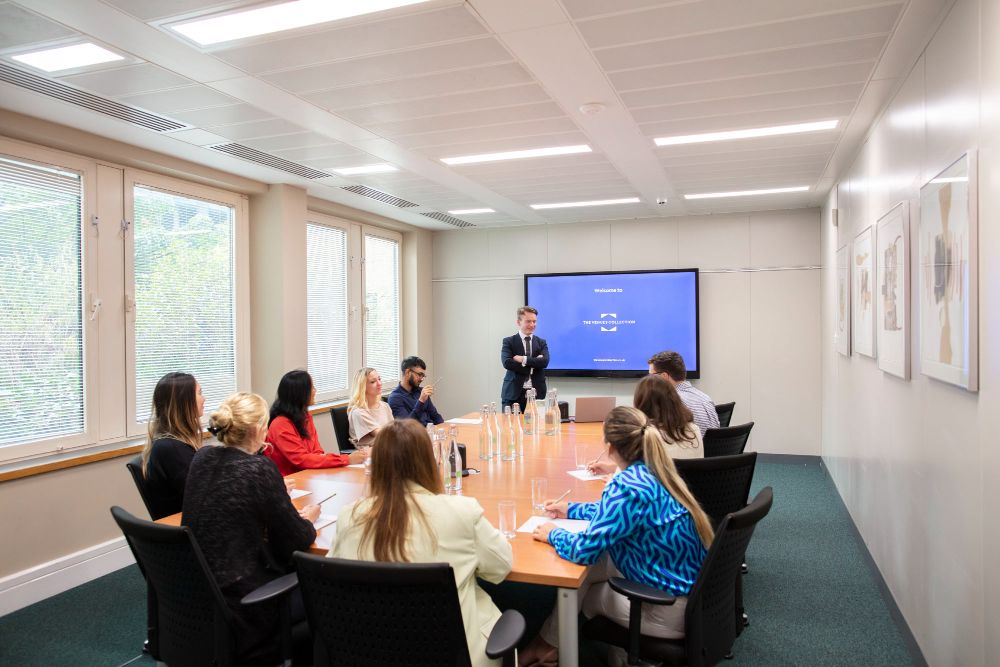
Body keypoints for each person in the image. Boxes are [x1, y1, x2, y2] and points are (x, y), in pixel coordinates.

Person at [520, 406, 714, 665]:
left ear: (610, 447)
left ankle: (578, 652)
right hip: (688, 594)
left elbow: (583, 551)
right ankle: (548, 648)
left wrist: (554, 534)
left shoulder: (625, 486)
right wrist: (571, 509)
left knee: (580, 589)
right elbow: (616, 515)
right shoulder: (654, 469)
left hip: (665, 608)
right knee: (595, 567)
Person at [330, 420, 513, 667]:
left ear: (378, 466)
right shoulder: (461, 512)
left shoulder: (349, 517)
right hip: (454, 655)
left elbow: (333, 583)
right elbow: (500, 568)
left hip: (371, 653)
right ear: (429, 460)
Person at [183, 392, 319, 662]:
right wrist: (309, 519)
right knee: (328, 598)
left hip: (201, 598)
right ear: (258, 429)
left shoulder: (202, 458)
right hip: (250, 603)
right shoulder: (260, 469)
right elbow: (298, 540)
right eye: (266, 424)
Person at [589, 375, 702, 475]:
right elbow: (667, 469)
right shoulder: (694, 429)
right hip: (689, 495)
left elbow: (639, 475)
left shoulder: (647, 436)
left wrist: (613, 476)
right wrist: (611, 468)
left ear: (641, 403)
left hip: (654, 497)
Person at [265, 369, 366, 475]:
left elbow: (317, 452)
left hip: (308, 474)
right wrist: (346, 460)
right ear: (300, 394)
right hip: (290, 481)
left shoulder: (305, 416)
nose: (315, 391)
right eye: (312, 388)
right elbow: (302, 459)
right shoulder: (280, 424)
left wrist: (324, 460)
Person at [140, 372, 205, 519]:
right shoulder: (171, 449)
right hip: (187, 528)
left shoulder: (173, 444)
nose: (204, 399)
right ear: (184, 402)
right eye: (199, 393)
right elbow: (203, 496)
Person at [648, 350, 719, 436]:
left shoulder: (673, 401)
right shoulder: (705, 397)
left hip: (694, 448)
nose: (649, 380)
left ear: (664, 377)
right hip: (709, 448)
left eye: (651, 376)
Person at [501, 306, 548, 411]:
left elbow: (544, 362)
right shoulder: (509, 341)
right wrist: (534, 364)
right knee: (510, 426)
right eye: (528, 321)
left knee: (536, 426)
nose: (532, 325)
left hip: (536, 394)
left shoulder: (541, 342)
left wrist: (523, 359)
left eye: (534, 321)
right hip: (513, 395)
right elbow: (507, 363)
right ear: (518, 322)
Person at [387, 356, 444, 426]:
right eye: (420, 375)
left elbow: (435, 416)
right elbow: (407, 427)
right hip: (416, 435)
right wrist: (421, 401)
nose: (421, 379)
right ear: (408, 372)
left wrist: (443, 428)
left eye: (423, 376)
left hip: (431, 432)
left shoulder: (421, 391)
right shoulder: (395, 398)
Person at [348, 367, 394, 446]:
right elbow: (383, 435)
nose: (379, 383)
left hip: (389, 448)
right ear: (363, 387)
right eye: (373, 382)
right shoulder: (359, 412)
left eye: (379, 379)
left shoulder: (385, 406)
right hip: (372, 454)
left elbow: (394, 430)